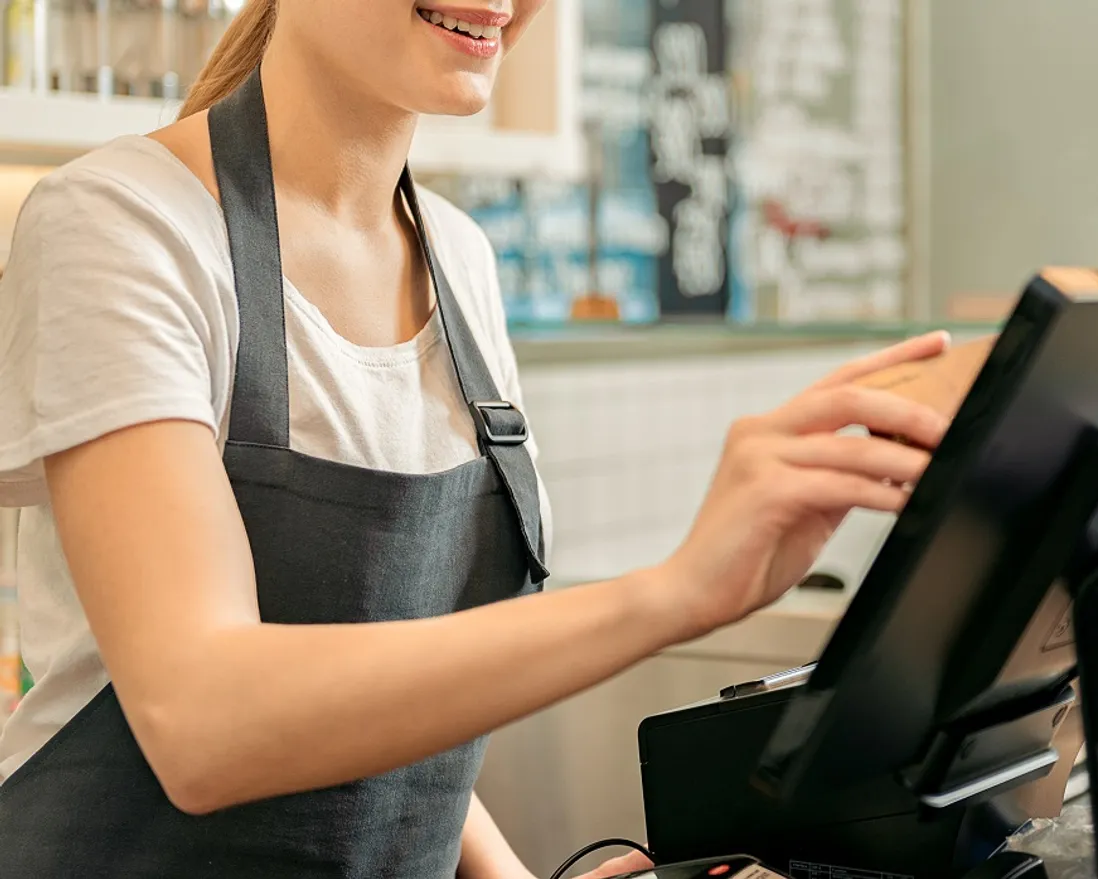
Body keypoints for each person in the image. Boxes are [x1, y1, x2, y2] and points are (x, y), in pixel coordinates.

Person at [0, 1, 951, 876]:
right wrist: (676, 591)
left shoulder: (458, 258)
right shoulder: (122, 226)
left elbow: (383, 710)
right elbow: (203, 722)